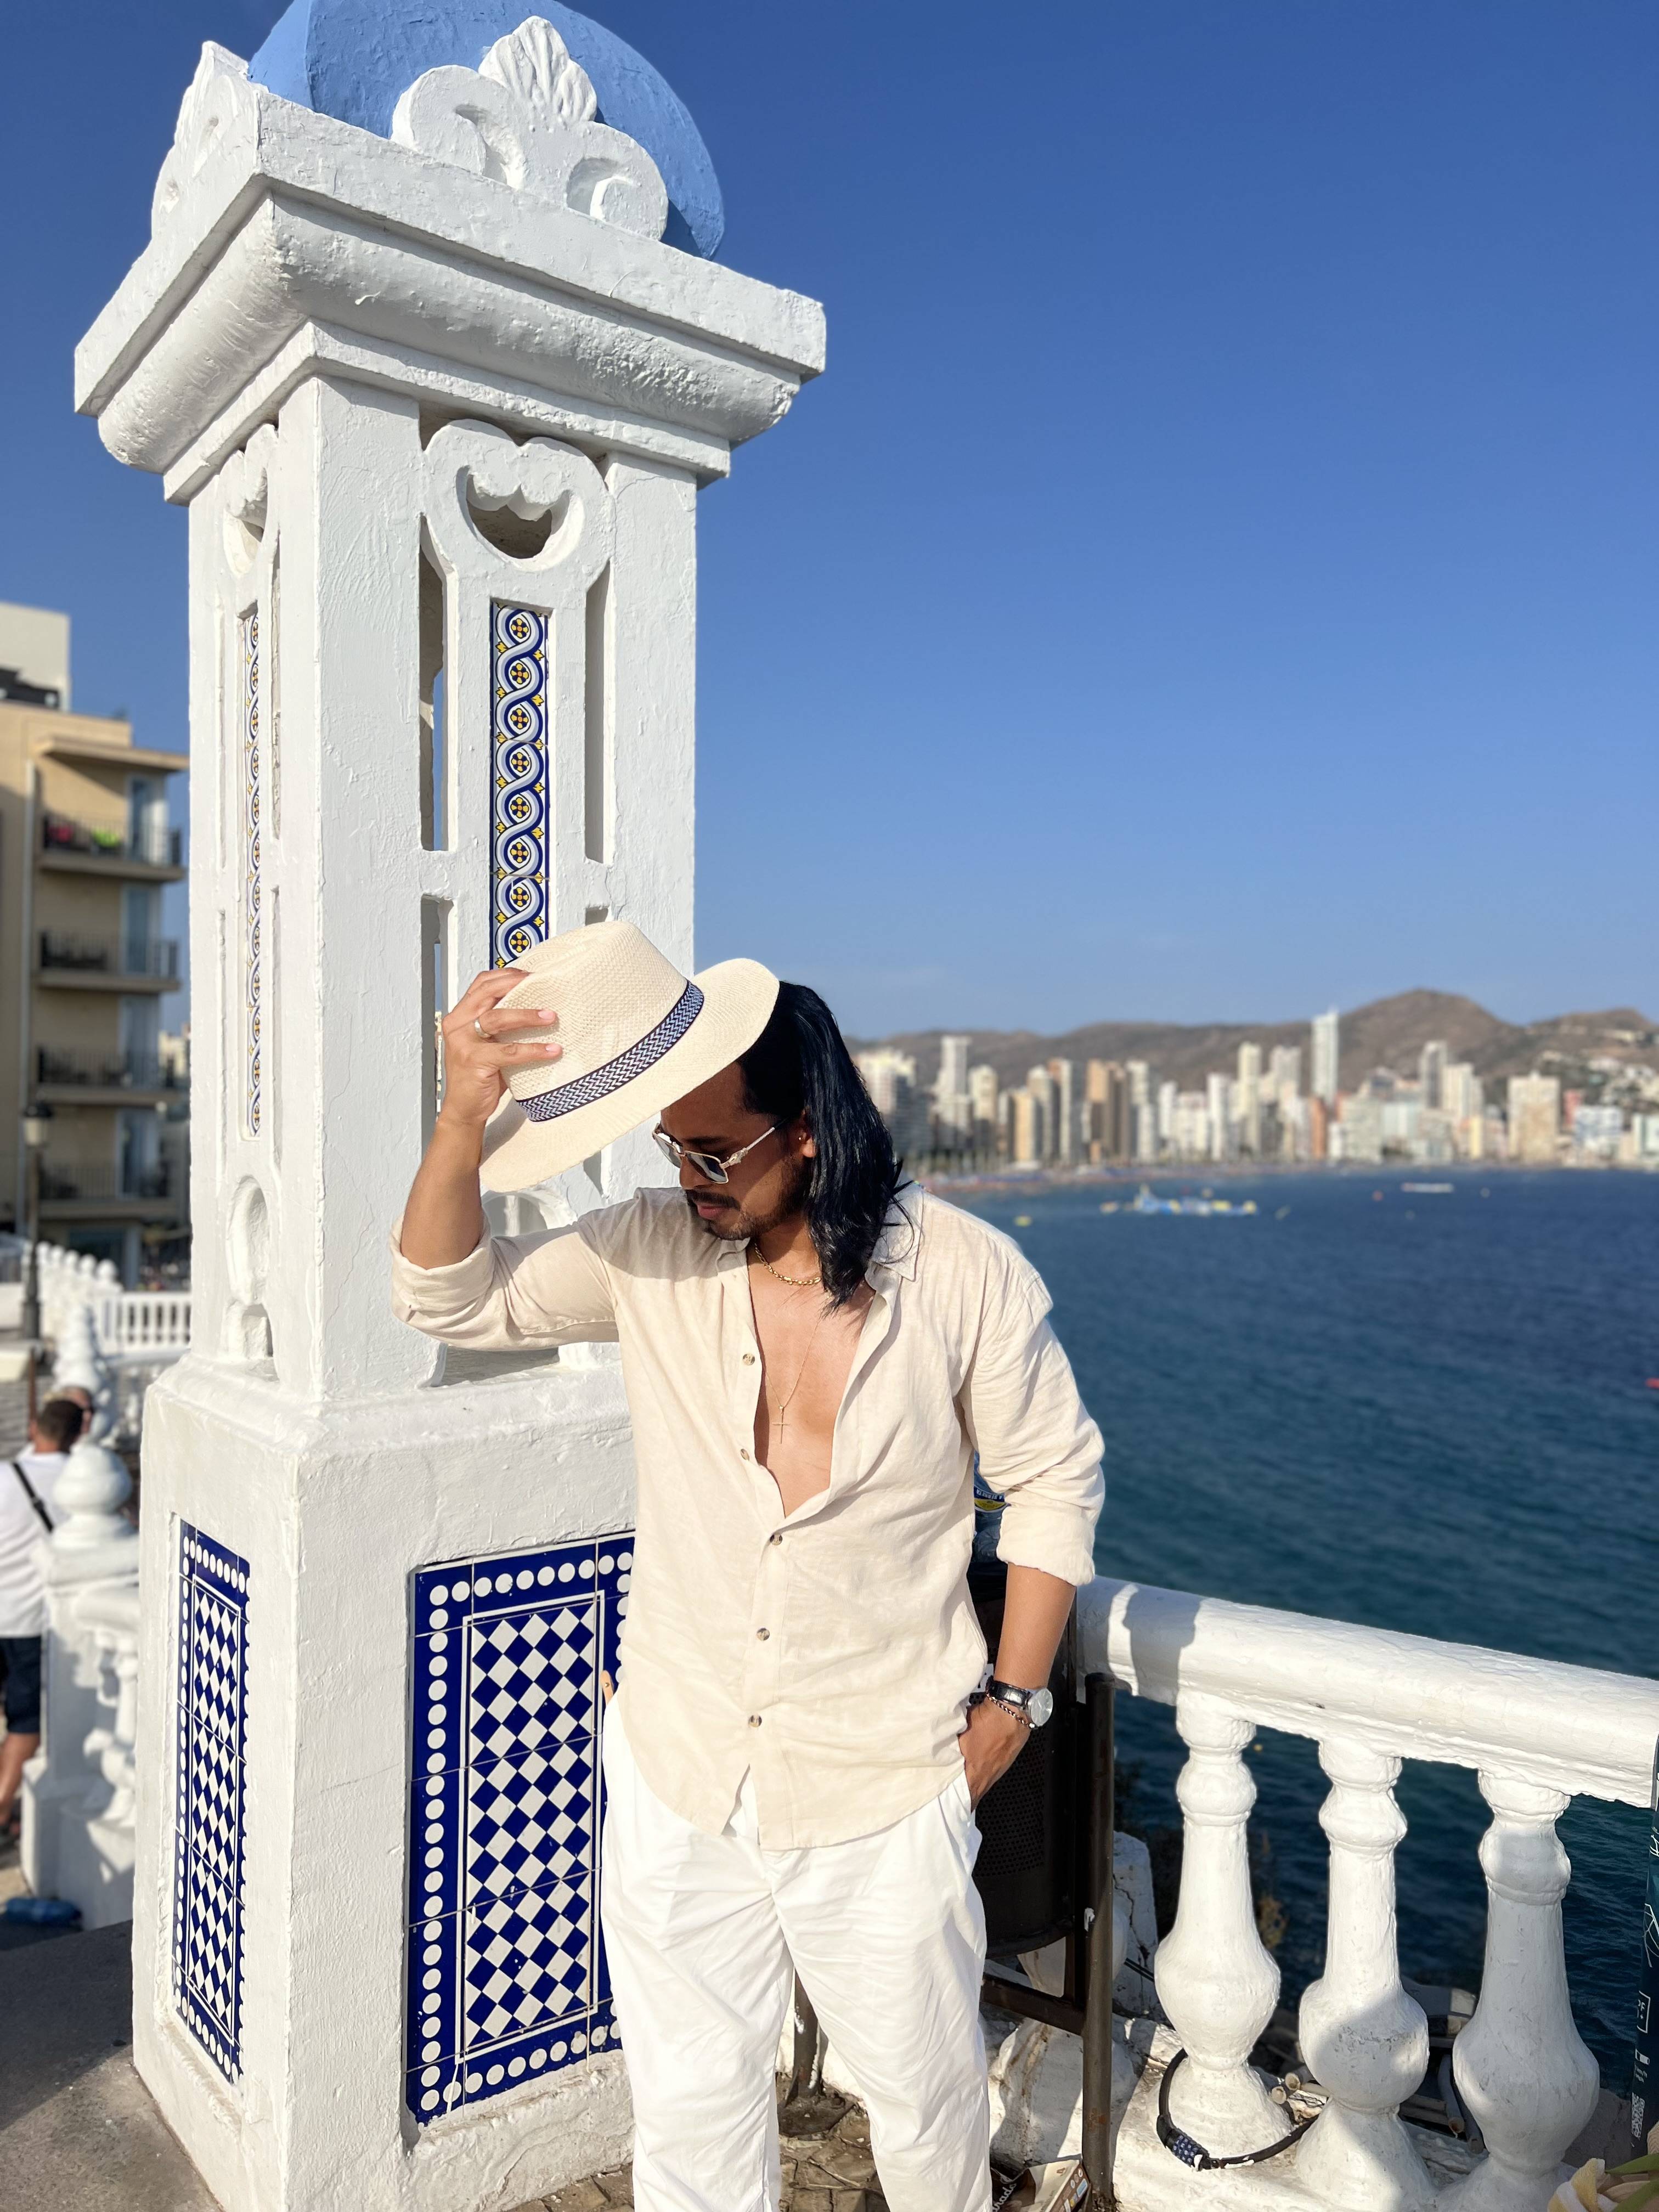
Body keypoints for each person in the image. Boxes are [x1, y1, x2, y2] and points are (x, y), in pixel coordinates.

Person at [391, 921, 1103, 2212]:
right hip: (681, 1774)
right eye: (674, 1149)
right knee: (689, 2116)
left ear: (811, 1131)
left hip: (884, 1781)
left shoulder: (964, 1275)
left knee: (927, 2111)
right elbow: (449, 1299)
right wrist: (459, 1122)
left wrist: (1013, 1702)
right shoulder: (649, 1248)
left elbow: (1053, 1479)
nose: (690, 1179)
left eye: (715, 1152)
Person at [0, 1395, 82, 1836]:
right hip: (32, 1624)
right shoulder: (79, 1482)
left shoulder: (4, 1476)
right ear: (80, 1432)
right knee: (25, 1720)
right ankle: (1, 1809)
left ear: (34, 1428)